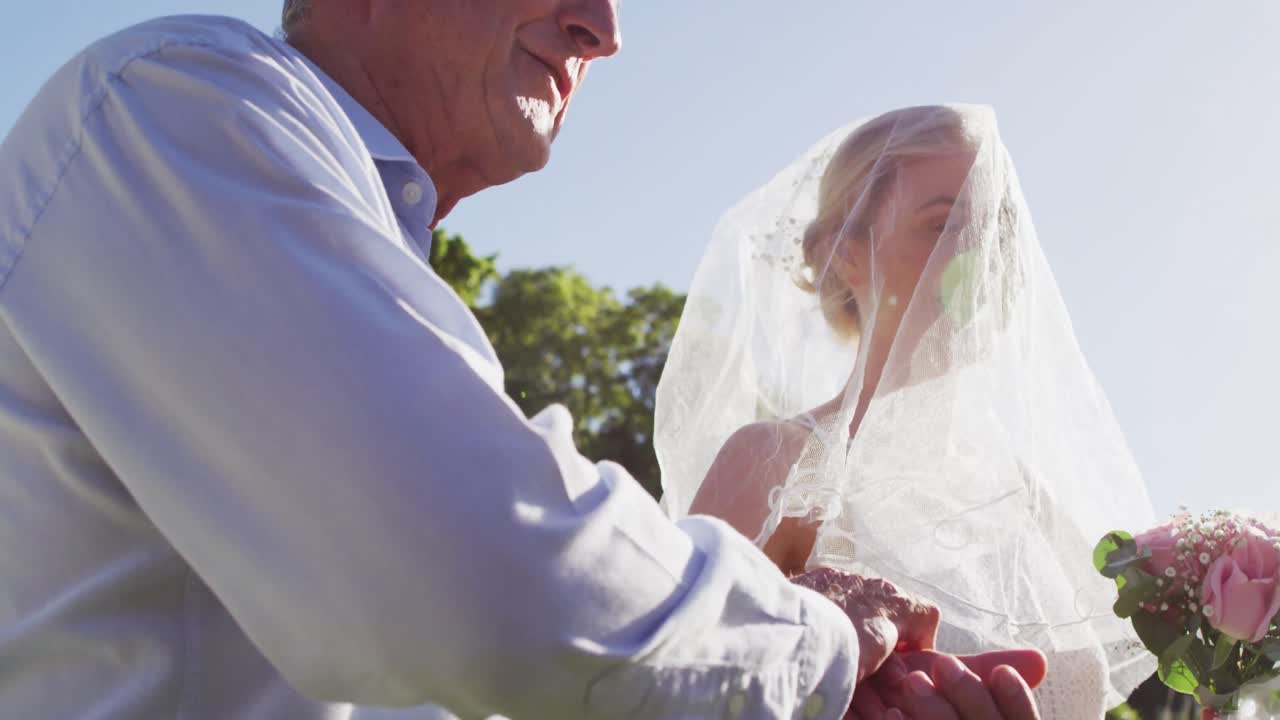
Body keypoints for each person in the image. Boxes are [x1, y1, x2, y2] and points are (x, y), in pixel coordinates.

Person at [0, 3, 1042, 719]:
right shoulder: (182, 105)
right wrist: (818, 646)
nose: (605, 29)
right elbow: (469, 570)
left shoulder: (360, 245)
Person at [655, 104, 1159, 719]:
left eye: (997, 231)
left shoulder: (1027, 498)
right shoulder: (777, 462)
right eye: (945, 224)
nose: (982, 256)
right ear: (844, 252)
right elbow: (671, 695)